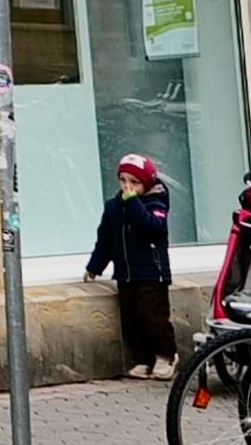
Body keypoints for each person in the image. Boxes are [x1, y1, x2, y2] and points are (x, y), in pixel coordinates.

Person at [84, 152, 175, 377]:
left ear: (146, 183)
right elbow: (105, 238)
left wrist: (133, 202)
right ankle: (143, 359)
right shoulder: (113, 207)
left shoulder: (156, 202)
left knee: (153, 316)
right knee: (131, 320)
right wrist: (95, 266)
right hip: (125, 273)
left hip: (152, 272)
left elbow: (152, 228)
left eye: (134, 182)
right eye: (123, 180)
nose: (127, 187)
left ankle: (166, 356)